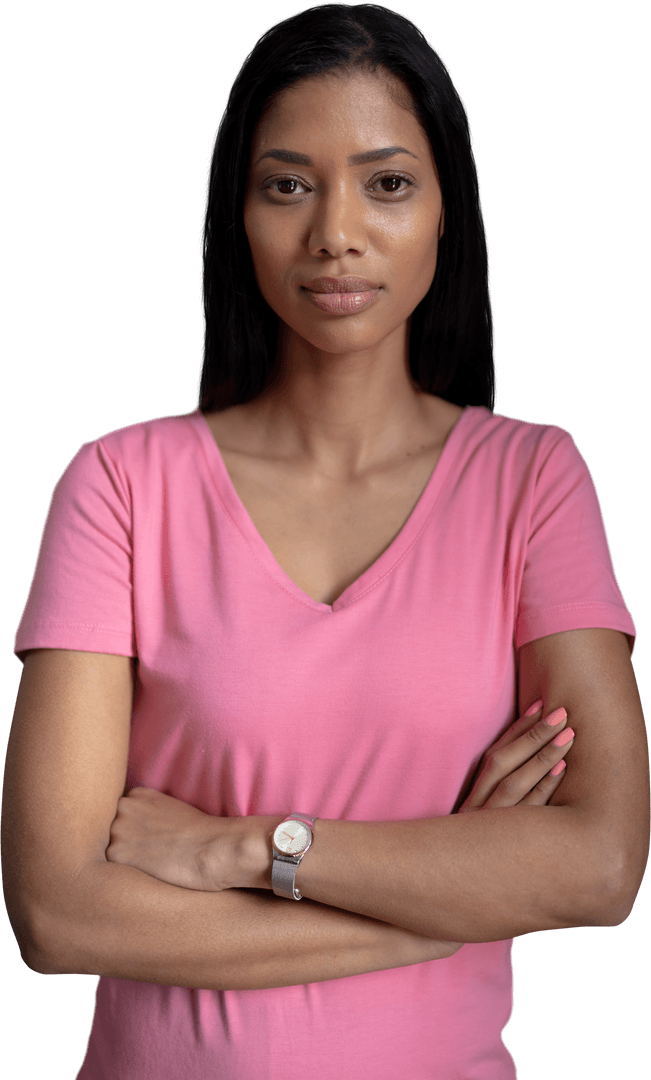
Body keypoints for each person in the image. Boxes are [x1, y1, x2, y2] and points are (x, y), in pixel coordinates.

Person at [2, 3, 648, 1078]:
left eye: (387, 183)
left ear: (449, 210)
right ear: (236, 214)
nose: (335, 233)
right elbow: (58, 913)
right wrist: (442, 908)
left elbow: (601, 862)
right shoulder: (121, 485)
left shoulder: (534, 481)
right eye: (287, 184)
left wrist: (248, 849)